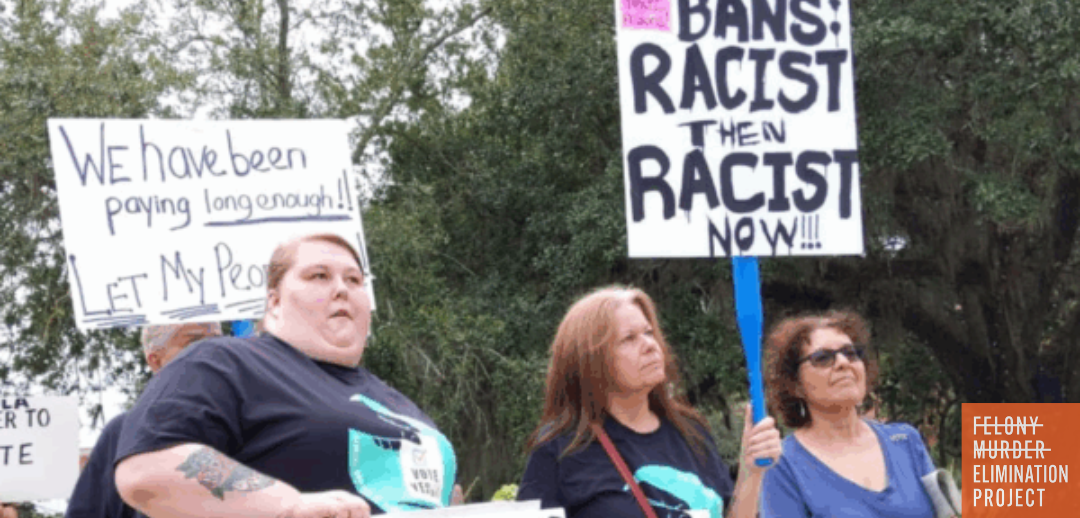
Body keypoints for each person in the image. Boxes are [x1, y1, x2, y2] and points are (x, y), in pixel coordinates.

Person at [114, 233, 457, 518]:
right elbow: (147, 468)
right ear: (274, 302)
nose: (341, 288)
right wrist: (286, 506)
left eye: (354, 280)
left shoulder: (396, 401)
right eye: (319, 276)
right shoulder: (223, 362)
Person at [518, 286, 781, 518]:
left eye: (649, 332)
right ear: (590, 361)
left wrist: (751, 471)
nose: (650, 345)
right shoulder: (560, 448)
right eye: (629, 339)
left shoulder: (691, 431)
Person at [759, 310, 937, 517]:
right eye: (822, 358)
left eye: (851, 353)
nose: (843, 362)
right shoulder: (782, 464)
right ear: (795, 385)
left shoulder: (906, 441)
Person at [64, 322, 222, 518]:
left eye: (219, 340)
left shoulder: (252, 423)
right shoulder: (123, 433)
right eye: (194, 343)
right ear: (156, 361)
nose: (214, 351)